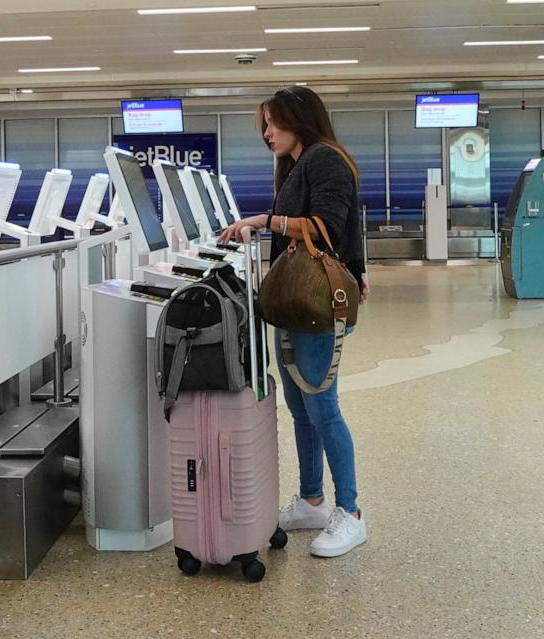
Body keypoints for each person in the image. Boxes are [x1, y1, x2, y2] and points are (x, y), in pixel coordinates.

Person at [220, 86, 369, 558]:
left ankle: (351, 512)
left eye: (273, 123)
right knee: (301, 408)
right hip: (294, 303)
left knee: (323, 406)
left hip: (317, 306)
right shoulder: (298, 164)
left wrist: (265, 219)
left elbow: (328, 224)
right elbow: (348, 228)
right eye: (263, 125)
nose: (267, 133)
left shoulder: (325, 159)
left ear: (299, 120)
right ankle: (310, 500)